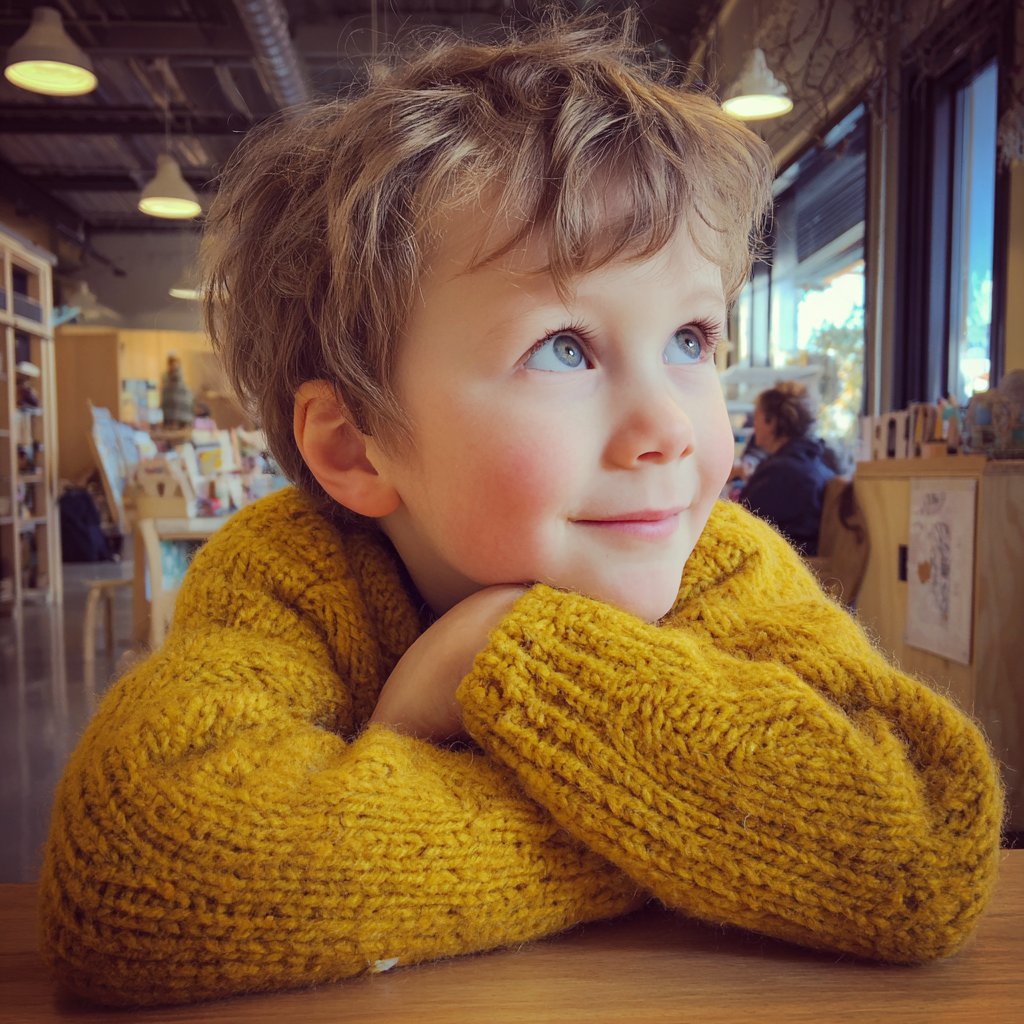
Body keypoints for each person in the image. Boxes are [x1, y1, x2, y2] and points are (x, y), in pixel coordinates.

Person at [39, 12, 1003, 1008]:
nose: (669, 427)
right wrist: (715, 838)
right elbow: (137, 870)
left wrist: (512, 650)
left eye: (688, 337)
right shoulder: (291, 570)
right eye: (565, 348)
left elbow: (922, 839)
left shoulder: (717, 558)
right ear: (353, 444)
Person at [738, 382, 837, 555]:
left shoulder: (780, 473)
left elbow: (741, 524)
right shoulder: (815, 462)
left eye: (757, 418)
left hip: (781, 566)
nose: (754, 427)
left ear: (771, 422)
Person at [159, 352, 194, 429]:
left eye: (175, 362)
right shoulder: (166, 378)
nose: (173, 365)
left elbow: (184, 396)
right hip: (170, 412)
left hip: (181, 413)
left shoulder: (180, 376)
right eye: (171, 363)